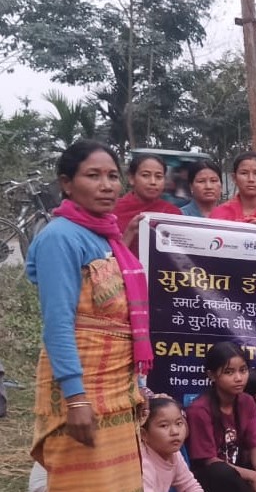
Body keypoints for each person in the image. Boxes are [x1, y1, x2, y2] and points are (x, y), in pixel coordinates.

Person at [25, 140, 148, 492]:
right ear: (67, 183)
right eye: (93, 176)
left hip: (117, 392)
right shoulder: (60, 238)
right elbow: (58, 323)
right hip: (82, 392)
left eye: (112, 176)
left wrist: (138, 386)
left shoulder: (107, 237)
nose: (106, 185)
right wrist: (76, 398)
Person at [186, 342, 256, 491]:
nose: (239, 378)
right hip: (214, 475)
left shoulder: (247, 401)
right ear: (211, 375)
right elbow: (208, 461)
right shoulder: (199, 410)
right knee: (220, 471)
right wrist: (254, 477)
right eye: (229, 372)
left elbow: (255, 445)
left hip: (241, 469)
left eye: (243, 370)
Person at [141, 397, 202, 492]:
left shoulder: (174, 454)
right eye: (164, 425)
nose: (175, 432)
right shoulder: (142, 463)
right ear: (144, 434)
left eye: (179, 423)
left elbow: (190, 486)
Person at [114, 153, 181, 234]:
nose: (153, 182)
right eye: (145, 175)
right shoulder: (114, 209)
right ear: (131, 178)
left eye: (158, 177)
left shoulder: (173, 213)